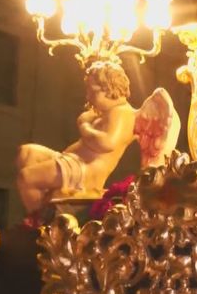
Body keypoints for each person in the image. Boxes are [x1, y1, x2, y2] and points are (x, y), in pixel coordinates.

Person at [16, 62, 136, 213]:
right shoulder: (107, 112)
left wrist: (84, 125)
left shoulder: (121, 113)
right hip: (74, 161)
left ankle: (39, 223)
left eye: (92, 92)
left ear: (108, 88)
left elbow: (107, 143)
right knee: (26, 153)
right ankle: (46, 207)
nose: (88, 97)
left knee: (27, 178)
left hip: (85, 171)